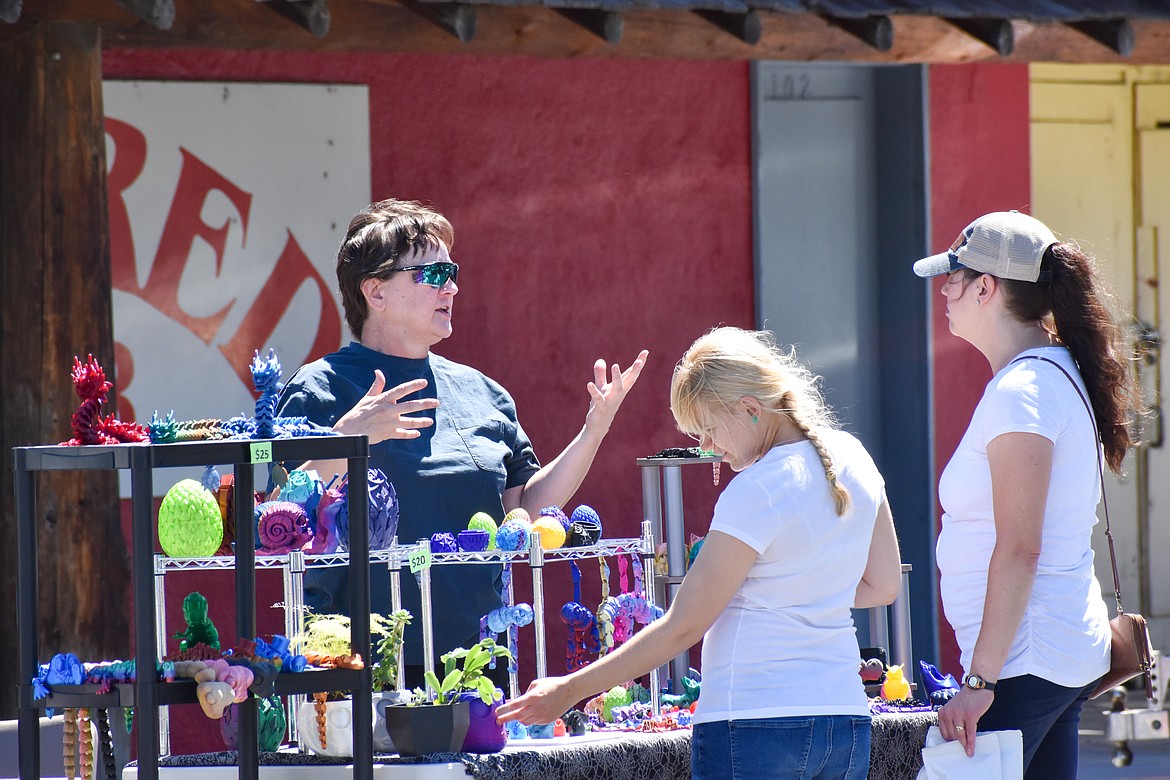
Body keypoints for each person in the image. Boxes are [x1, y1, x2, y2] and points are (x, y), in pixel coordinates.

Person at [497, 326, 902, 779]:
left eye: (708, 430)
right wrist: (794, 590)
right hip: (845, 720)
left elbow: (682, 627)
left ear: (751, 409)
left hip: (754, 724)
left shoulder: (756, 488)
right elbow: (882, 586)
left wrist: (568, 690)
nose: (708, 449)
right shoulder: (856, 457)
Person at [274, 199, 648, 686]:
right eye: (431, 273)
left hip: (476, 660)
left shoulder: (484, 393)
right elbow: (282, 513)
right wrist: (349, 438)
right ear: (375, 292)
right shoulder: (319, 388)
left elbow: (525, 506)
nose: (450, 286)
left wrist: (592, 431)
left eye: (452, 272)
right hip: (355, 664)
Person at [911, 211, 1139, 778]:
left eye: (955, 278)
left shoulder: (1025, 390)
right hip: (1049, 656)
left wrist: (980, 681)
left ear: (986, 287)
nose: (946, 290)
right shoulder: (1049, 375)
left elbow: (1020, 548)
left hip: (1024, 663)